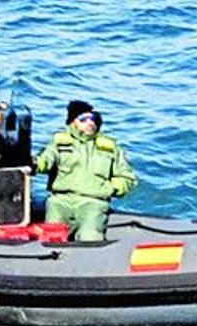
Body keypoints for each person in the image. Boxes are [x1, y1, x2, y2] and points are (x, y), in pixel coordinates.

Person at [34, 99, 138, 242]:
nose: (90, 123)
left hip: (93, 203)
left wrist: (110, 188)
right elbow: (45, 161)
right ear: (72, 122)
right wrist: (33, 163)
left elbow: (128, 178)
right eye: (83, 119)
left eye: (93, 119)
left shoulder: (110, 147)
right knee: (50, 239)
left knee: (90, 237)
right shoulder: (59, 143)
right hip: (60, 202)